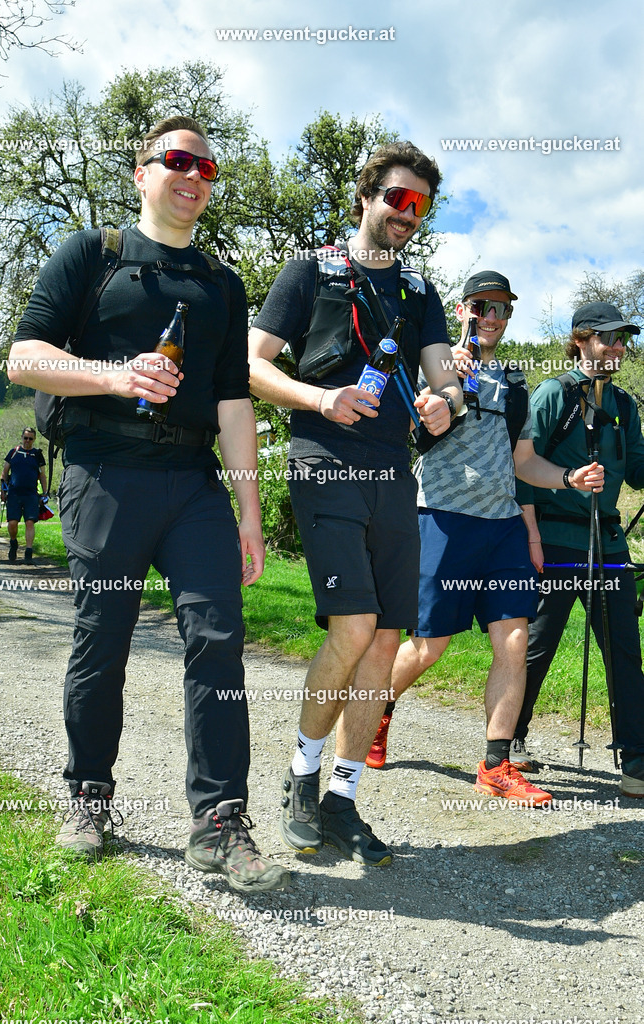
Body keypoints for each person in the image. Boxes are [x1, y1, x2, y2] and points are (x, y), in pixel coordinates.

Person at [7, 116, 289, 892]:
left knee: (218, 636)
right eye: (176, 160)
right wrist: (114, 375)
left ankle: (220, 821)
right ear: (141, 172)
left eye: (207, 167)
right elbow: (23, 356)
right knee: (103, 638)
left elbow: (235, 402)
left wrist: (250, 511)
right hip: (104, 474)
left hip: (193, 482)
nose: (193, 174)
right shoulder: (92, 255)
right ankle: (90, 796)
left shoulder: (223, 284)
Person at [249, 141, 462, 865]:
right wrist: (320, 399)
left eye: (419, 206)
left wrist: (444, 404)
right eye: (395, 199)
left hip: (392, 474)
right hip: (322, 460)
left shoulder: (419, 293)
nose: (406, 214)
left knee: (382, 640)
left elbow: (443, 378)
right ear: (366, 197)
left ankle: (342, 799)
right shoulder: (309, 271)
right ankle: (299, 781)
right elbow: (250, 363)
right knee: (353, 626)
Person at [365, 273, 604, 807]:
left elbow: (524, 463)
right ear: (463, 308)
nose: (491, 317)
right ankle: (376, 713)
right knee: (430, 646)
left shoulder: (516, 381)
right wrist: (444, 387)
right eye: (482, 307)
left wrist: (567, 479)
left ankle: (496, 763)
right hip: (443, 518)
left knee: (514, 640)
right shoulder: (435, 362)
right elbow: (411, 430)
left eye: (501, 309)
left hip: (502, 527)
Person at [514, 301, 644, 797]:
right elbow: (522, 465)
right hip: (556, 541)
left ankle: (635, 760)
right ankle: (511, 739)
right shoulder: (553, 393)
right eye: (608, 338)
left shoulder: (626, 406)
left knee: (625, 654)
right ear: (582, 340)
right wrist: (530, 533)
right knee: (536, 648)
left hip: (608, 544)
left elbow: (637, 472)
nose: (618, 347)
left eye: (623, 339)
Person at [0, 427, 48, 563]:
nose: (27, 441)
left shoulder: (37, 455)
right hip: (14, 493)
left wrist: (45, 493)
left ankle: (28, 551)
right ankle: (13, 542)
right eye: (25, 438)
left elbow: (43, 475)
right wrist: (3, 490)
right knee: (12, 523)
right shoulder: (14, 453)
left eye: (30, 438)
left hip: (31, 494)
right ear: (22, 437)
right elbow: (4, 473)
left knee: (29, 522)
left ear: (34, 439)